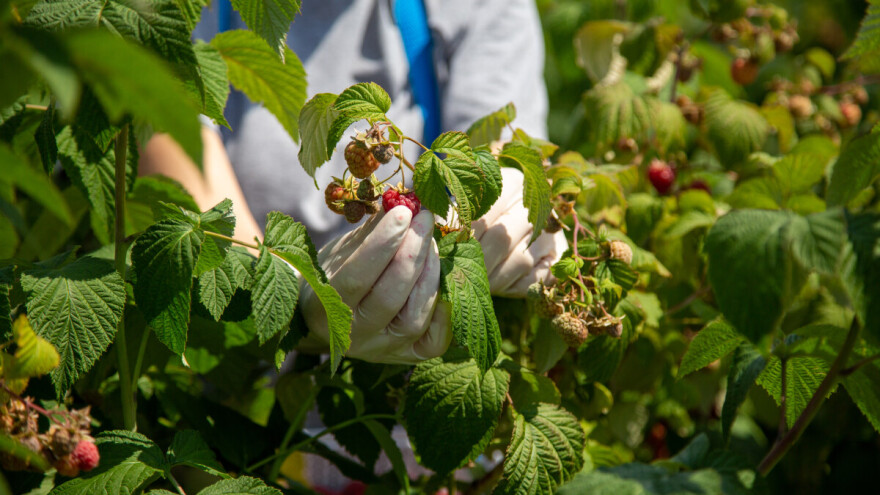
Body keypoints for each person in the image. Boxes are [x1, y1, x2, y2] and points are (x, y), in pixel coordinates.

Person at [139, 0, 566, 364]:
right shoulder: (175, 12)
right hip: (228, 377)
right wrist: (292, 306)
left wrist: (502, 202)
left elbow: (494, 147)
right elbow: (185, 187)